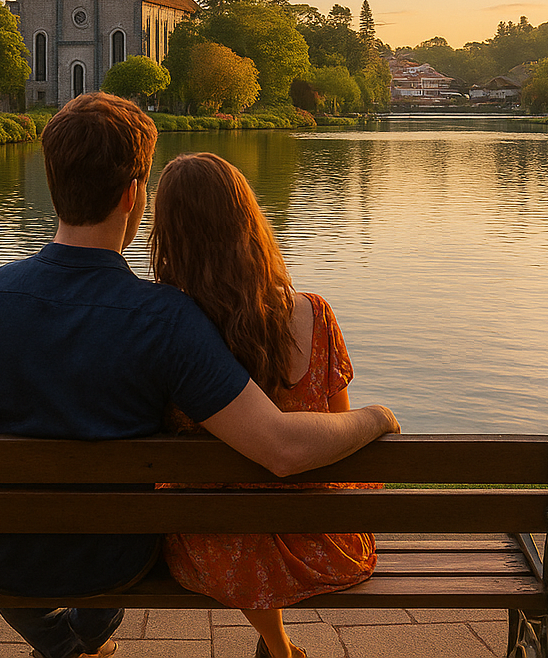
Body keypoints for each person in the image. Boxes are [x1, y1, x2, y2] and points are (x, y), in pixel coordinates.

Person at [0, 93, 398, 658]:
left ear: (53, 183)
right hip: (117, 559)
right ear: (133, 195)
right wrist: (379, 416)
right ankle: (80, 645)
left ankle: (63, 646)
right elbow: (279, 447)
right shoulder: (165, 319)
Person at [149, 152, 378, 658]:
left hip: (207, 546)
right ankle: (278, 649)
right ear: (248, 219)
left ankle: (278, 647)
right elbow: (339, 433)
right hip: (321, 543)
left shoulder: (167, 329)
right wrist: (378, 419)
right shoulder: (314, 316)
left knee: (236, 518)